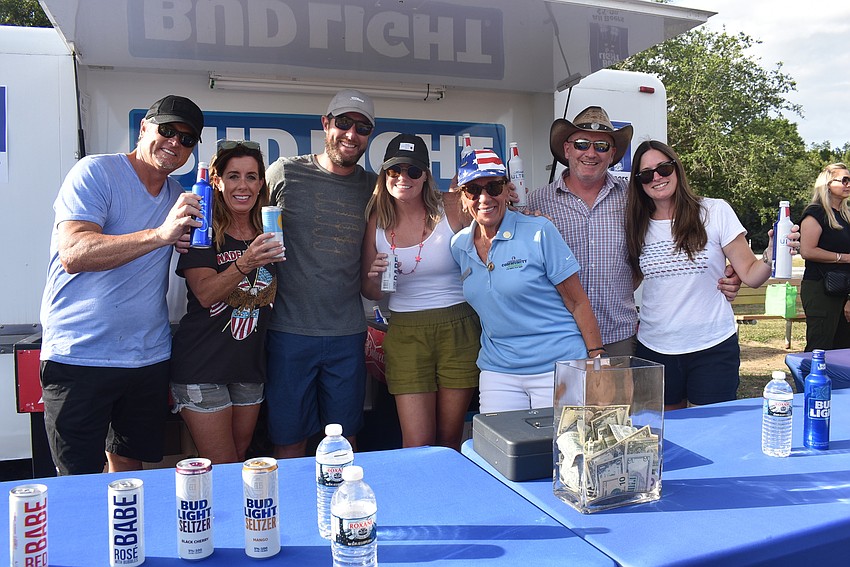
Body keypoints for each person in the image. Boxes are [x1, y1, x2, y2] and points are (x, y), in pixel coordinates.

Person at [39, 94, 205, 475]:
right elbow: (74, 253)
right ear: (143, 129)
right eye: (167, 131)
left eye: (186, 138)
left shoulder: (180, 196)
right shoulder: (95, 172)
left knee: (129, 472)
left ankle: (123, 536)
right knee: (77, 478)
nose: (175, 143)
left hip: (147, 356)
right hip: (80, 354)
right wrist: (161, 235)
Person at [527, 106, 743, 356]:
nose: (591, 153)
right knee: (564, 398)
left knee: (619, 398)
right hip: (559, 336)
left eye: (601, 146)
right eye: (582, 143)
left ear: (613, 154)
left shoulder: (635, 198)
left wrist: (731, 267)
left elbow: (673, 237)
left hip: (619, 335)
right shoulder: (536, 203)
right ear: (567, 149)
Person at [264, 89, 378, 458]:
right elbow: (237, 219)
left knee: (345, 443)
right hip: (288, 331)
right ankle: (292, 516)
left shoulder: (373, 186)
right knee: (289, 439)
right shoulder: (284, 172)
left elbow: (428, 205)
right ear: (325, 124)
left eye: (362, 128)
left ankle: (345, 511)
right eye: (343, 123)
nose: (351, 134)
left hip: (347, 333)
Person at [450, 149, 604, 412]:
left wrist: (597, 359)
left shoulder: (539, 231)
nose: (484, 198)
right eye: (474, 189)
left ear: (507, 190)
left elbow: (577, 301)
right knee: (501, 449)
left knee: (563, 449)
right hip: (499, 371)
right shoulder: (459, 245)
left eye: (494, 187)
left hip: (558, 365)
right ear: (464, 197)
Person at [625, 140, 774, 409]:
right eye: (646, 174)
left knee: (711, 434)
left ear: (677, 169)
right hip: (656, 348)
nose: (657, 178)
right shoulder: (636, 225)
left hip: (712, 345)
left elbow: (751, 274)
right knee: (666, 437)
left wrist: (772, 254)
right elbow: (630, 280)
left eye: (664, 168)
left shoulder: (714, 211)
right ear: (639, 183)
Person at [361, 134, 479, 451]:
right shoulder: (377, 220)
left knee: (450, 439)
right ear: (384, 174)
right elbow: (370, 292)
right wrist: (375, 275)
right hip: (406, 331)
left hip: (460, 327)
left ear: (425, 175)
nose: (404, 178)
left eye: (413, 171)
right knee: (417, 444)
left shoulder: (452, 207)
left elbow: (494, 225)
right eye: (395, 170)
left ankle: (448, 501)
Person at [169, 140, 284, 463]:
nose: (242, 186)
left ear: (261, 183)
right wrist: (246, 262)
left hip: (249, 368)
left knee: (240, 458)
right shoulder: (202, 231)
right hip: (203, 366)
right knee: (223, 465)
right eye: (233, 176)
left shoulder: (270, 229)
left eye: (251, 176)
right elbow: (205, 293)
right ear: (217, 182)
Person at [799, 163, 850, 351]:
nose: (848, 184)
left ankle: (837, 382)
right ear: (828, 184)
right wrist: (844, 258)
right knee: (820, 347)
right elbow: (807, 251)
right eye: (844, 180)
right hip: (820, 288)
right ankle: (809, 381)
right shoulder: (816, 213)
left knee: (843, 348)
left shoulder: (846, 216)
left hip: (844, 289)